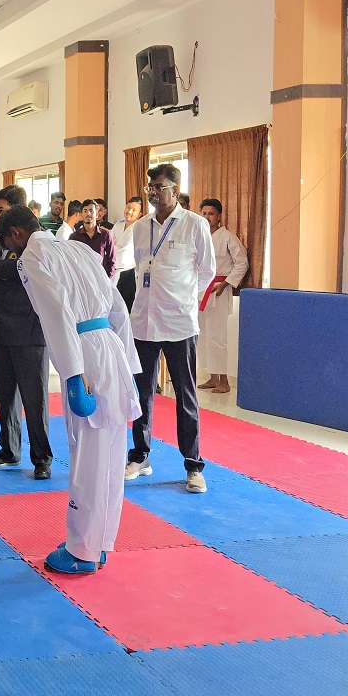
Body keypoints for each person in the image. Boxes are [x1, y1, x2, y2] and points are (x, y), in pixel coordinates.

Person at [0, 206, 142, 574]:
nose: (11, 251)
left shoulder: (33, 256)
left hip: (84, 353)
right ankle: (100, 542)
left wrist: (73, 374)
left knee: (88, 456)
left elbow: (56, 312)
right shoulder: (79, 248)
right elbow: (117, 306)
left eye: (8, 244)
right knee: (111, 453)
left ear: (16, 234)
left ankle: (81, 551)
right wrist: (129, 365)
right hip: (110, 346)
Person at [126, 164, 217, 494]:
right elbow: (139, 270)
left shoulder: (195, 225)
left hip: (179, 322)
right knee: (141, 393)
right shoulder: (140, 228)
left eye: (159, 187)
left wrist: (183, 298)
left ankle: (193, 465)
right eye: (150, 187)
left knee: (185, 395)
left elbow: (207, 271)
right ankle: (140, 456)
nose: (153, 192)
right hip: (144, 322)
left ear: (175, 191)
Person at [0, 186, 52, 479]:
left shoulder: (36, 239)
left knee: (35, 398)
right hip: (1, 327)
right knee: (5, 395)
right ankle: (9, 449)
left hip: (29, 329)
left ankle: (42, 458)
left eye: (1, 211)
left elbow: (24, 269)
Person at [198, 198, 249, 394]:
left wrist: (225, 284)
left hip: (218, 289)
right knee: (203, 335)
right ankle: (212, 377)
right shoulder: (199, 236)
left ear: (219, 216)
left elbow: (242, 263)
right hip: (200, 290)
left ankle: (225, 381)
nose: (207, 217)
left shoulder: (228, 237)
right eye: (204, 213)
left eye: (211, 214)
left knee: (218, 337)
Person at [69, 199, 117, 278]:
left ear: (97, 215)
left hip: (101, 278)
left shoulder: (106, 235)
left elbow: (111, 260)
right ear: (81, 215)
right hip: (82, 279)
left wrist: (107, 279)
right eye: (85, 211)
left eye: (91, 211)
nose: (88, 213)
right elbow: (70, 260)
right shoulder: (74, 237)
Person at [112, 197, 145, 310]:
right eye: (128, 207)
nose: (129, 211)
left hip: (127, 274)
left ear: (140, 214)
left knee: (122, 309)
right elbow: (106, 246)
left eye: (134, 210)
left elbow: (124, 257)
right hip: (112, 270)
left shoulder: (138, 228)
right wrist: (117, 248)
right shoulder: (118, 225)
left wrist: (114, 249)